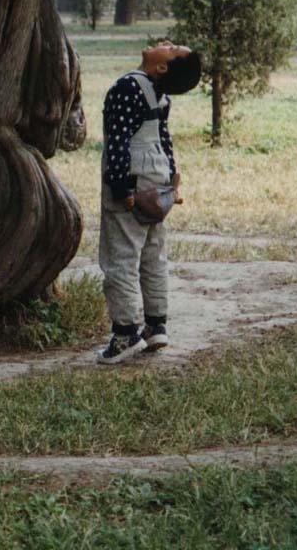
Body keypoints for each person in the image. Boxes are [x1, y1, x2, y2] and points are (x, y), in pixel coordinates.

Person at [97, 41, 202, 365]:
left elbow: (119, 140)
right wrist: (172, 179)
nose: (164, 43)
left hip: (133, 176)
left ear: (162, 68)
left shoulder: (127, 87)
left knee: (121, 257)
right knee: (153, 255)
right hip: (157, 179)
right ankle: (156, 325)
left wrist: (119, 185)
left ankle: (126, 333)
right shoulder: (160, 94)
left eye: (171, 49)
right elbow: (164, 139)